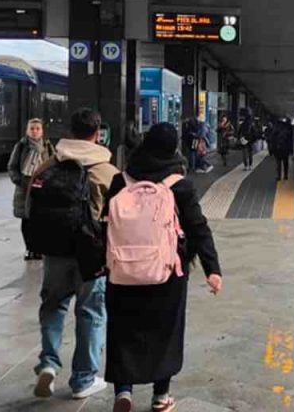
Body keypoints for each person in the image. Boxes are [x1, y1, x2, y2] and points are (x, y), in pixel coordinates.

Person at [103, 123, 222, 412]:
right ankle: (161, 396)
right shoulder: (179, 184)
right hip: (167, 272)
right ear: (173, 148)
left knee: (123, 329)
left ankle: (124, 391)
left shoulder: (122, 180)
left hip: (122, 272)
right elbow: (197, 227)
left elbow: (106, 224)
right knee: (165, 331)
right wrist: (212, 268)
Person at [28, 108, 119, 401]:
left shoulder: (49, 165)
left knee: (53, 305)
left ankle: (49, 364)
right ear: (97, 134)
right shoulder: (107, 171)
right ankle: (83, 379)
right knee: (91, 312)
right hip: (91, 254)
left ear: (71, 131)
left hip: (55, 250)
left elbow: (31, 203)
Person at [8, 118, 56, 261]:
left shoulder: (48, 147)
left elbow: (53, 165)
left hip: (42, 188)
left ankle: (39, 249)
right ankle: (29, 249)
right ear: (27, 131)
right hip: (25, 189)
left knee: (40, 220)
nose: (34, 131)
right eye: (32, 128)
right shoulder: (21, 146)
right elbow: (12, 166)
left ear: (42, 131)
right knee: (26, 220)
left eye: (37, 128)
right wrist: (19, 181)